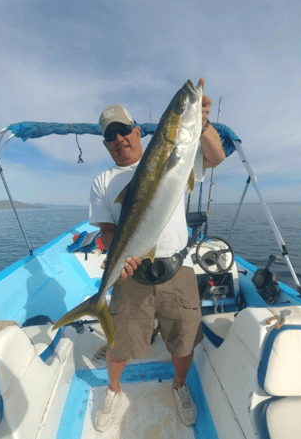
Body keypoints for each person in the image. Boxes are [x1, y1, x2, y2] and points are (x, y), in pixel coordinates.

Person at [89, 90, 225, 432]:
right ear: (106, 145)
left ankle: (179, 386)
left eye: (123, 130)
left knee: (182, 341)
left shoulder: (179, 154)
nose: (118, 139)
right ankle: (114, 390)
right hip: (130, 276)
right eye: (110, 136)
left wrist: (203, 124)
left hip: (176, 269)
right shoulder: (103, 181)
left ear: (138, 131)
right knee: (119, 346)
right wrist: (119, 257)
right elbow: (107, 231)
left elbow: (216, 155)